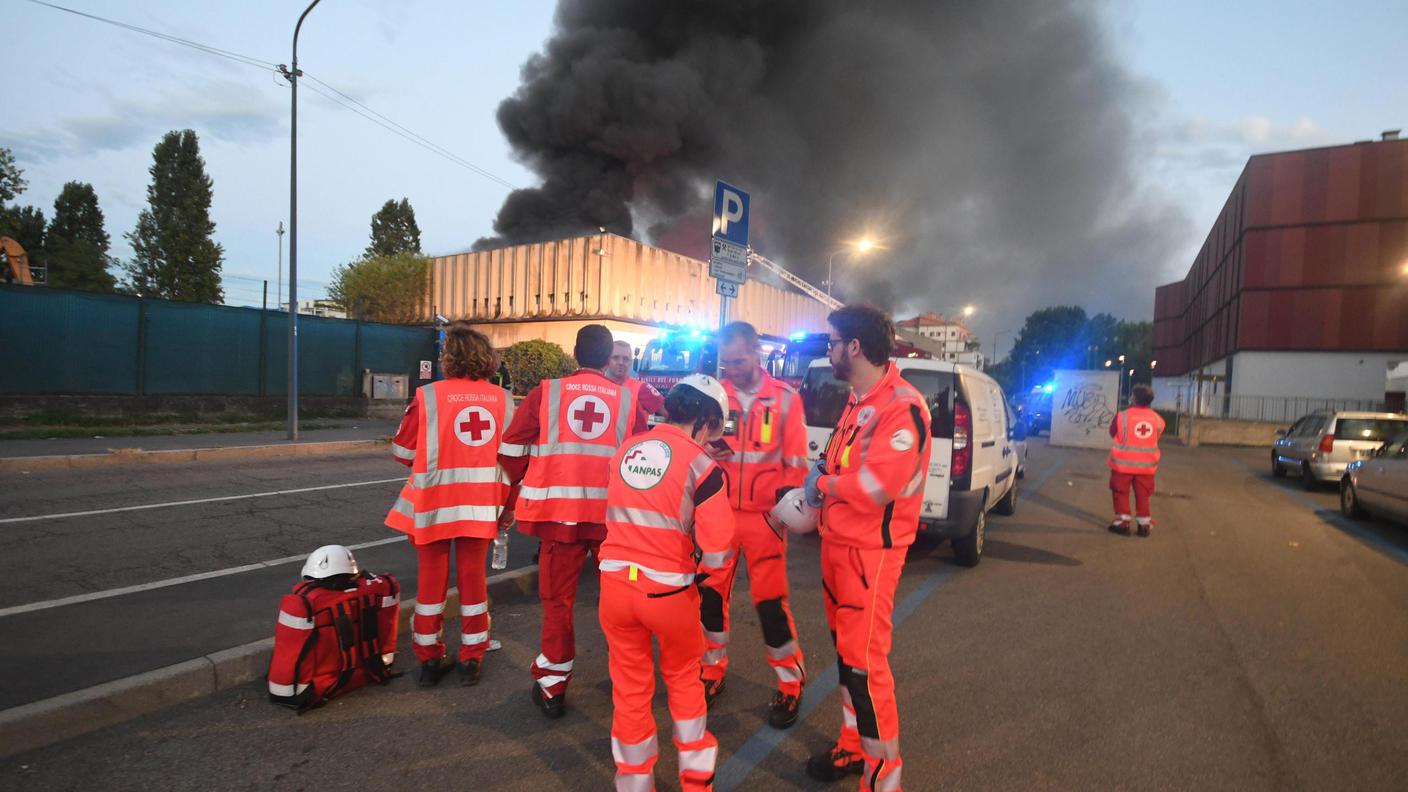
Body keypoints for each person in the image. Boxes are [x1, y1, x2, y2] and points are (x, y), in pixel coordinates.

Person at [805, 304, 931, 790]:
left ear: (854, 347)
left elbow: (877, 486)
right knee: (847, 660)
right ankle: (853, 746)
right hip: (839, 547)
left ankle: (883, 780)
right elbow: (840, 465)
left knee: (865, 666)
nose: (829, 349)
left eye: (832, 342)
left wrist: (824, 485)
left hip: (870, 557)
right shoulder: (860, 401)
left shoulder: (902, 405)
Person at [498, 324, 649, 718]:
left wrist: (525, 479)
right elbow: (641, 460)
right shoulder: (628, 401)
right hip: (611, 520)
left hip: (558, 519)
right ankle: (629, 680)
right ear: (605, 358)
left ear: (574, 353)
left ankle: (553, 683)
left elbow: (511, 447)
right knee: (621, 601)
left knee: (557, 601)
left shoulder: (545, 393)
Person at [598, 374, 737, 792]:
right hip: (670, 593)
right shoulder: (704, 468)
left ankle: (634, 783)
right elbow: (718, 550)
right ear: (707, 421)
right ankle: (695, 781)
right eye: (717, 426)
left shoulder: (626, 449)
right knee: (683, 681)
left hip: (615, 588)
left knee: (629, 690)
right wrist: (701, 574)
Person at [386, 322, 514, 687]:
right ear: (486, 358)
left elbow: (402, 452)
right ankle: (472, 656)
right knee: (473, 581)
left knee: (430, 584)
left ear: (449, 358)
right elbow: (516, 459)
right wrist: (510, 506)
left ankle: (428, 658)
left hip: (434, 505)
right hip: (481, 505)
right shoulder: (503, 400)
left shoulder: (428, 396)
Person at [697, 321, 810, 728]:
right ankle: (711, 672)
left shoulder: (784, 399)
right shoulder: (715, 396)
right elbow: (696, 450)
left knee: (770, 605)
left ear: (757, 354)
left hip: (764, 520)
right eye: (726, 362)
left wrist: (787, 507)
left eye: (739, 361)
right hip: (719, 517)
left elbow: (796, 462)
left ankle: (790, 684)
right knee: (709, 598)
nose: (732, 370)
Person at [1107, 383, 1165, 537]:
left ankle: (1122, 522)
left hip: (1122, 465)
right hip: (1146, 467)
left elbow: (1113, 432)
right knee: (1143, 495)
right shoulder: (1158, 419)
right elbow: (1155, 437)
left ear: (1133, 398)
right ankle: (1144, 524)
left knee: (1120, 492)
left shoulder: (1122, 416)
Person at [608, 339, 665, 416]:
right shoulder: (598, 386)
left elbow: (670, 416)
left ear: (630, 362)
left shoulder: (642, 388)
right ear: (608, 360)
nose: (621, 362)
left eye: (625, 359)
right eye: (615, 358)